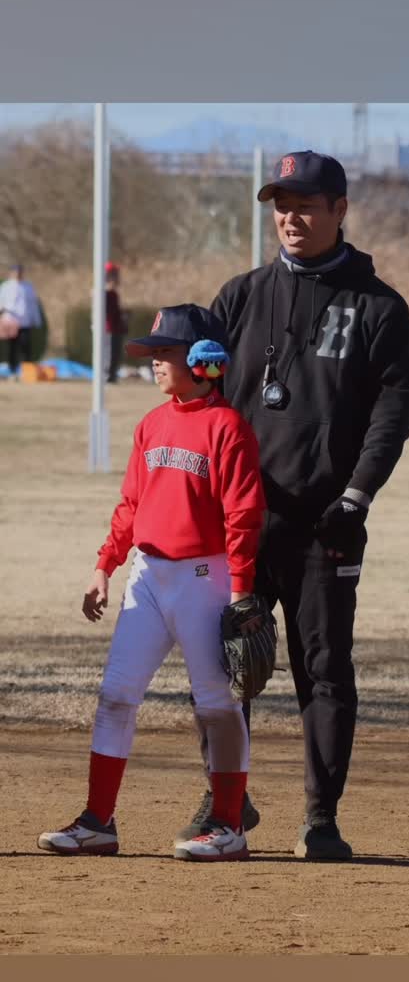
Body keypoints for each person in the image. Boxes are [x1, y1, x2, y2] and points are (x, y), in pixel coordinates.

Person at [179, 149, 409, 862]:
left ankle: (320, 819)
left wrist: (357, 495)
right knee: (227, 665)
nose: (290, 217)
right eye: (281, 205)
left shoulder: (378, 306)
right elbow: (200, 398)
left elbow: (393, 411)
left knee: (324, 668)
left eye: (306, 205)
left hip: (325, 524)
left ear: (340, 211)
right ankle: (229, 798)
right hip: (244, 522)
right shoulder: (241, 296)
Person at [37, 304, 266, 862]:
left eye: (167, 352)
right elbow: (131, 505)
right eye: (156, 352)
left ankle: (229, 826)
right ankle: (98, 822)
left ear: (203, 359)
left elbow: (244, 514)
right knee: (117, 695)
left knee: (217, 704)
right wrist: (104, 564)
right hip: (147, 575)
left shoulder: (227, 426)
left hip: (204, 578)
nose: (156, 361)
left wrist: (240, 590)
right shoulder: (153, 422)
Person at [0, 263, 42, 380]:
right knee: (12, 347)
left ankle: (26, 371)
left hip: (25, 321)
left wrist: (36, 319)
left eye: (19, 272)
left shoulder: (28, 287)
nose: (17, 274)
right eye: (15, 272)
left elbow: (33, 304)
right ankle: (12, 371)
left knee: (25, 346)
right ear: (11, 273)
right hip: (10, 322)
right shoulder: (6, 286)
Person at [105, 261, 127, 383]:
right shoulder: (105, 293)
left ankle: (112, 375)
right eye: (115, 274)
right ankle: (108, 375)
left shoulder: (113, 293)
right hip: (108, 329)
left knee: (115, 353)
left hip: (115, 329)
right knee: (109, 354)